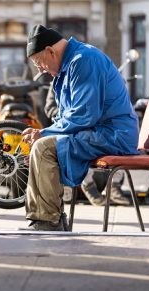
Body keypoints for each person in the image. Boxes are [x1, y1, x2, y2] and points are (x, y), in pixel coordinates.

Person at [20, 24, 139, 231]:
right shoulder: (72, 63)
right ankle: (49, 218)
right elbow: (70, 115)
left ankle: (48, 221)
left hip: (114, 135)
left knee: (44, 147)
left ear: (50, 51)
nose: (41, 70)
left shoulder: (83, 60)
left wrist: (45, 132)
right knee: (43, 146)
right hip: (102, 131)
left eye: (40, 63)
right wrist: (46, 132)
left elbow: (84, 114)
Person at [44, 81, 131, 207]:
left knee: (117, 138)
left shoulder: (91, 78)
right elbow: (50, 108)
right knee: (78, 145)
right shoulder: (57, 82)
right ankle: (89, 186)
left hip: (98, 126)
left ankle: (114, 186)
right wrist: (66, 116)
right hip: (70, 125)